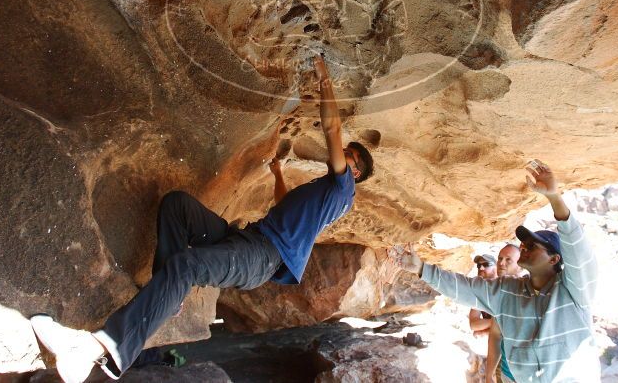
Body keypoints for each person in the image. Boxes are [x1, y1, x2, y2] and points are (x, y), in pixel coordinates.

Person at [30, 55, 374, 383]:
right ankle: (169, 296)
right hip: (249, 240)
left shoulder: (343, 187)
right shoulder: (328, 193)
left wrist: (323, 75)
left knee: (187, 265)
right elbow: (284, 204)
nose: (342, 153)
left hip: (261, 257)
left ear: (354, 171)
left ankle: (100, 348)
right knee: (177, 206)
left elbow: (331, 126)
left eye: (349, 154)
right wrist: (277, 172)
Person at [397, 160, 599, 382]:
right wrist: (421, 269)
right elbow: (464, 289)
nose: (523, 247)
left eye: (532, 245)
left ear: (554, 258)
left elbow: (578, 250)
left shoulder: (573, 289)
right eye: (523, 244)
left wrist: (554, 197)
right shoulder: (507, 291)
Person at [486, 244, 523, 383]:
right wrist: (489, 374)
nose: (501, 263)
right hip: (507, 373)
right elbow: (495, 335)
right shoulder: (501, 294)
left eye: (508, 260)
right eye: (500, 258)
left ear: (520, 265)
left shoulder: (532, 291)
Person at [468, 253, 498, 338]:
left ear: (496, 268)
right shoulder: (480, 291)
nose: (481, 268)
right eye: (479, 265)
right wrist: (495, 323)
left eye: (486, 264)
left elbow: (511, 325)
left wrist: (483, 332)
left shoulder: (504, 287)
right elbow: (473, 324)